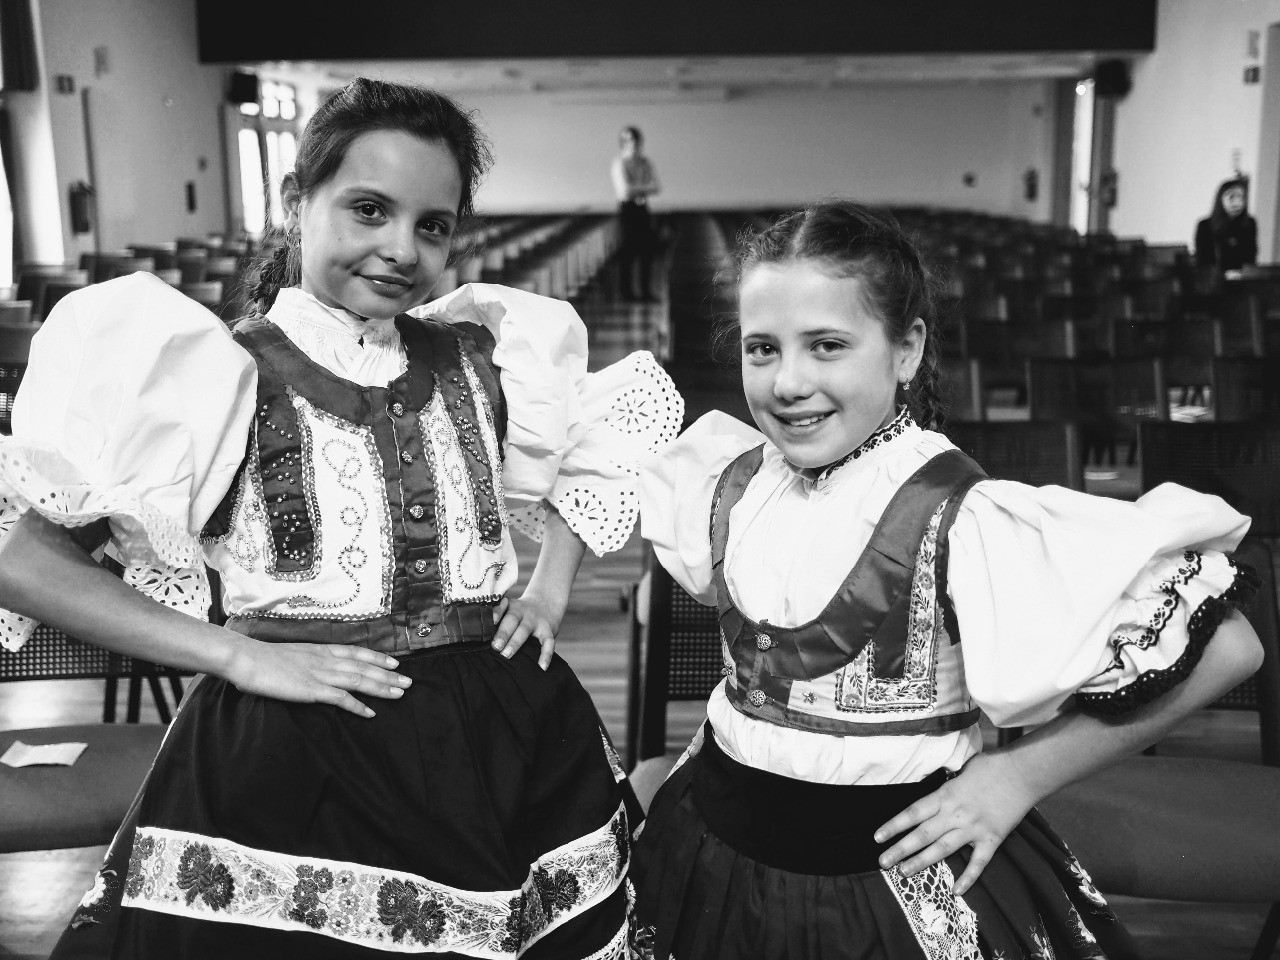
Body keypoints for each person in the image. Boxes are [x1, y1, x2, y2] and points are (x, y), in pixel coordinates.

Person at [0, 78, 682, 957]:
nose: (401, 248)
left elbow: (594, 450)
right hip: (297, 760)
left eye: (432, 226)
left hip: (502, 746)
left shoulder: (484, 354)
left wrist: (548, 589)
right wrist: (234, 653)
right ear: (296, 202)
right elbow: (23, 559)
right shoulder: (216, 375)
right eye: (368, 209)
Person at [630, 201, 1264, 959]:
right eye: (762, 349)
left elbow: (1230, 647)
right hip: (711, 850)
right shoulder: (731, 482)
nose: (789, 381)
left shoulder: (963, 516)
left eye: (827, 345)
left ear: (907, 350)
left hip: (883, 884)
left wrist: (1017, 777)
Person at [611, 126, 661, 302]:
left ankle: (646, 291)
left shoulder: (645, 162)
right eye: (628, 140)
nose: (632, 144)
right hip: (627, 209)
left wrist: (636, 189)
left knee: (647, 250)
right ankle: (626, 293)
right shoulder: (619, 163)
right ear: (623, 143)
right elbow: (625, 189)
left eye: (635, 140)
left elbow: (657, 186)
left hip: (642, 208)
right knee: (628, 250)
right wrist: (644, 188)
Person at [1195, 176, 1258, 275]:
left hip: (1242, 278)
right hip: (1213, 278)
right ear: (1220, 199)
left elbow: (1251, 257)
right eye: (1231, 197)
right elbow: (1202, 261)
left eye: (1241, 197)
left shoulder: (1249, 224)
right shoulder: (1205, 225)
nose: (1237, 203)